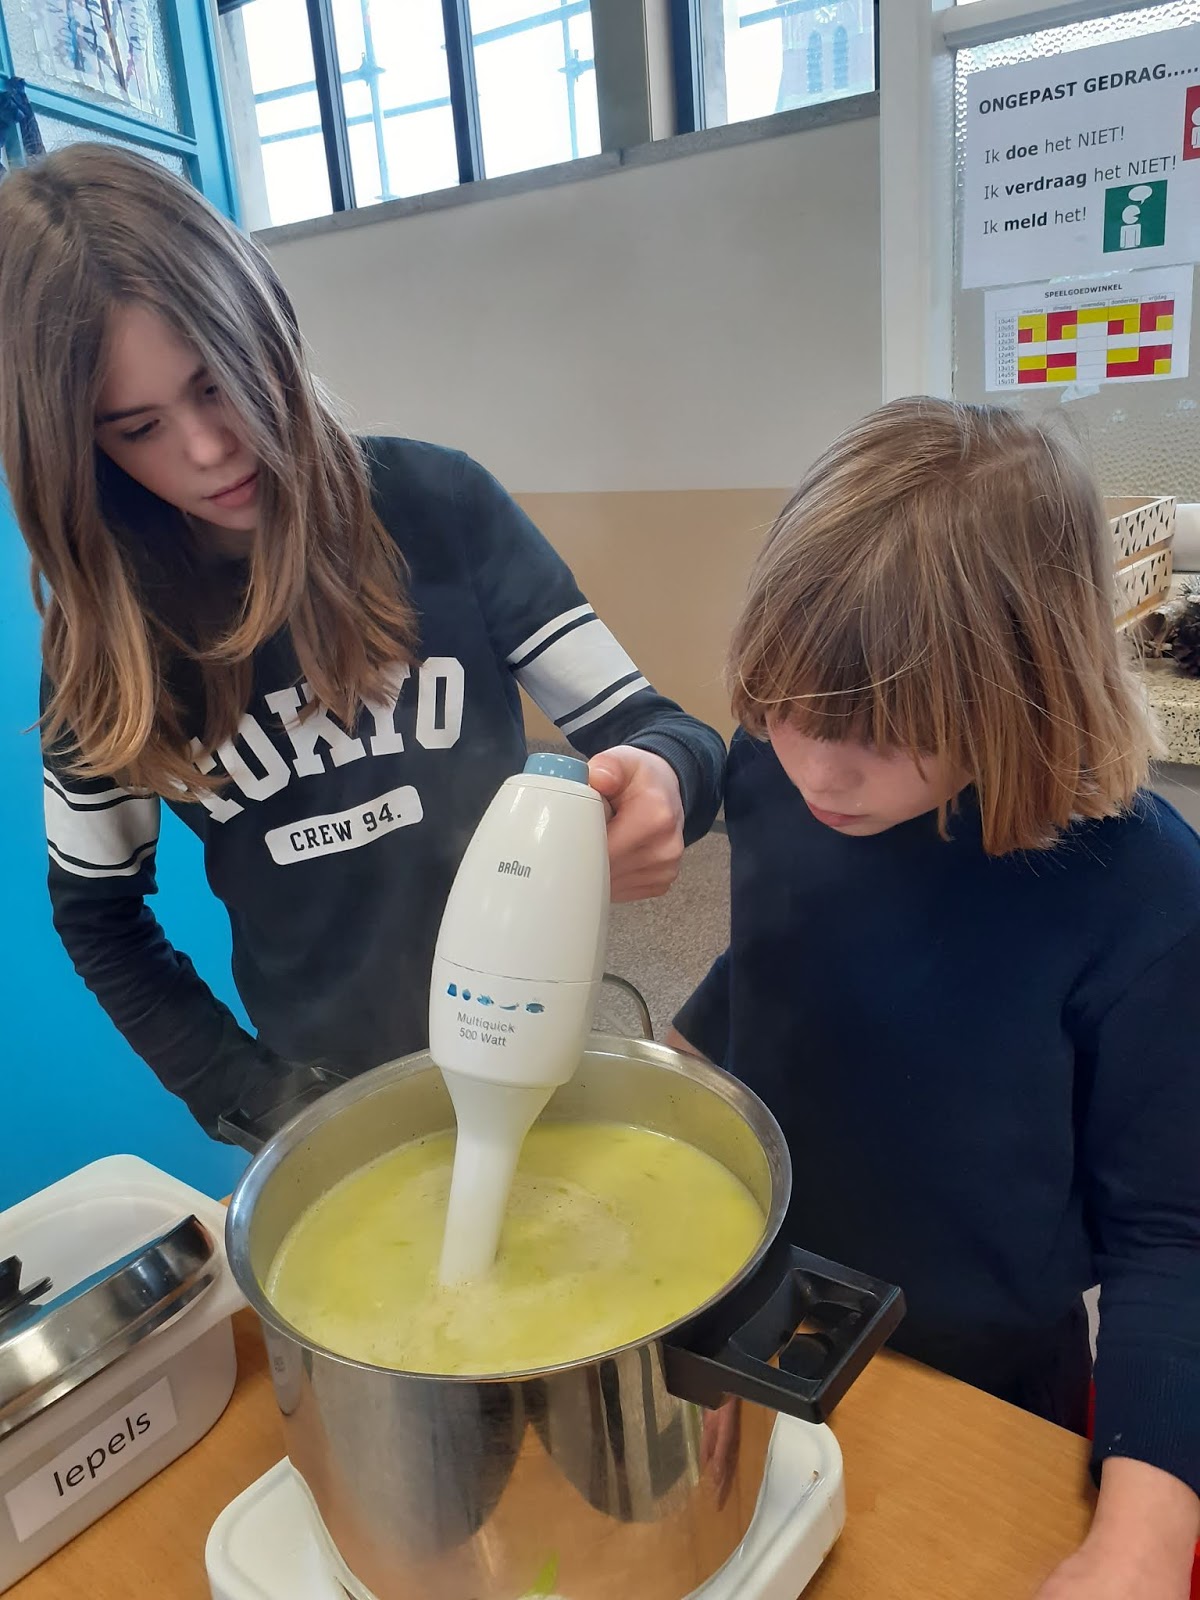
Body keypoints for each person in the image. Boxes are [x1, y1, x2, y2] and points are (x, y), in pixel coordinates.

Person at [0, 145, 724, 1146]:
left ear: (265, 326)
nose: (207, 449)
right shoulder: (103, 651)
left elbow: (663, 728)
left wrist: (666, 778)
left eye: (215, 383)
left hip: (538, 1036)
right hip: (329, 1090)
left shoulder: (438, 506)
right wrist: (253, 1097)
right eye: (137, 428)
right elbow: (97, 916)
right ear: (81, 449)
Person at [670, 399, 1200, 1599]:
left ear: (1027, 686)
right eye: (782, 706)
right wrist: (673, 1067)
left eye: (884, 732)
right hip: (757, 1311)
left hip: (983, 1373)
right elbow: (782, 952)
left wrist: (1141, 1544)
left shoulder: (1145, 894)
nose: (816, 767)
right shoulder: (777, 773)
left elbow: (1174, 1239)